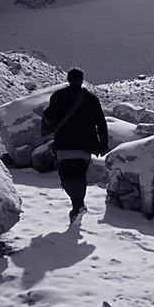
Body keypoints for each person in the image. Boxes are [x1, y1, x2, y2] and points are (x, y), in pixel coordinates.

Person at [41, 68, 109, 222]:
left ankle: (77, 205)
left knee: (66, 177)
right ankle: (78, 205)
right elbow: (101, 123)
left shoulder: (58, 97)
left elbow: (49, 117)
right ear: (82, 79)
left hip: (63, 144)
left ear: (68, 79)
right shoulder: (91, 99)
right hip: (84, 145)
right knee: (79, 176)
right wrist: (103, 145)